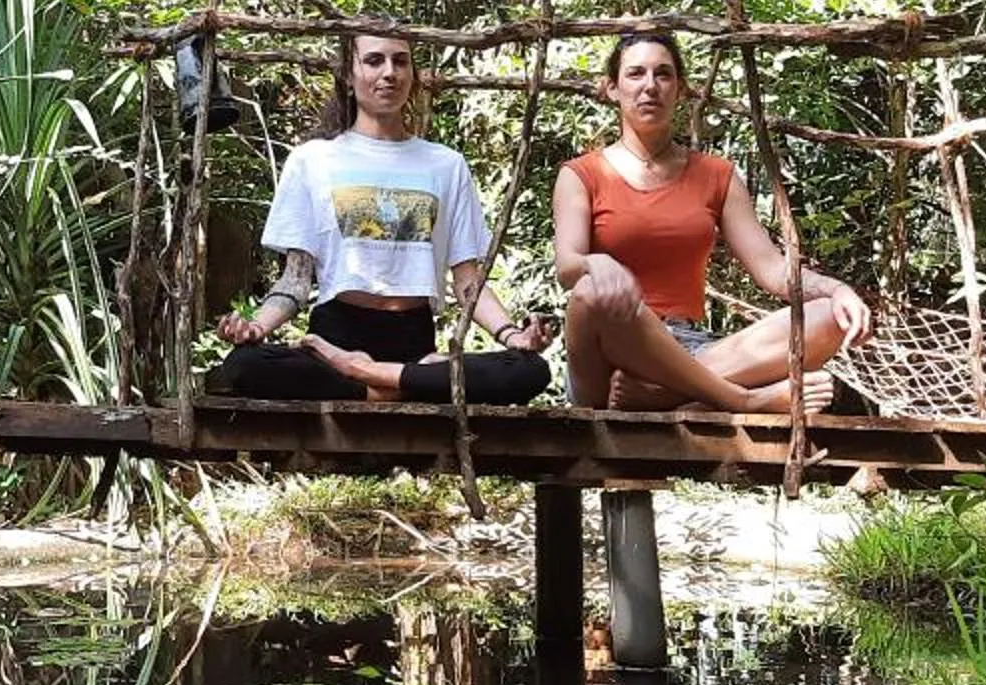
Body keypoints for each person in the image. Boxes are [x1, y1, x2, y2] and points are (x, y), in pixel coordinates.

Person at [208, 26, 553, 406]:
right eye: (374, 60)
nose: (389, 72)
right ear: (348, 74)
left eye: (400, 61)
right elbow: (296, 281)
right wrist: (257, 326)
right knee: (246, 365)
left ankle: (368, 378)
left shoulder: (446, 165)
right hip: (332, 342)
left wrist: (511, 336)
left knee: (531, 370)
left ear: (412, 75)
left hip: (413, 342)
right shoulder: (312, 160)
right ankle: (407, 386)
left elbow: (468, 282)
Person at [553, 29, 872, 414]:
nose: (650, 86)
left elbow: (771, 268)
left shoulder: (716, 175)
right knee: (589, 294)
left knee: (826, 318)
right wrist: (596, 262)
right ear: (611, 89)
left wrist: (836, 290)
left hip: (692, 349)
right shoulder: (582, 174)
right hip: (611, 360)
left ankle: (662, 394)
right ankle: (740, 399)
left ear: (682, 90)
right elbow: (568, 267)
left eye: (664, 74)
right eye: (636, 74)